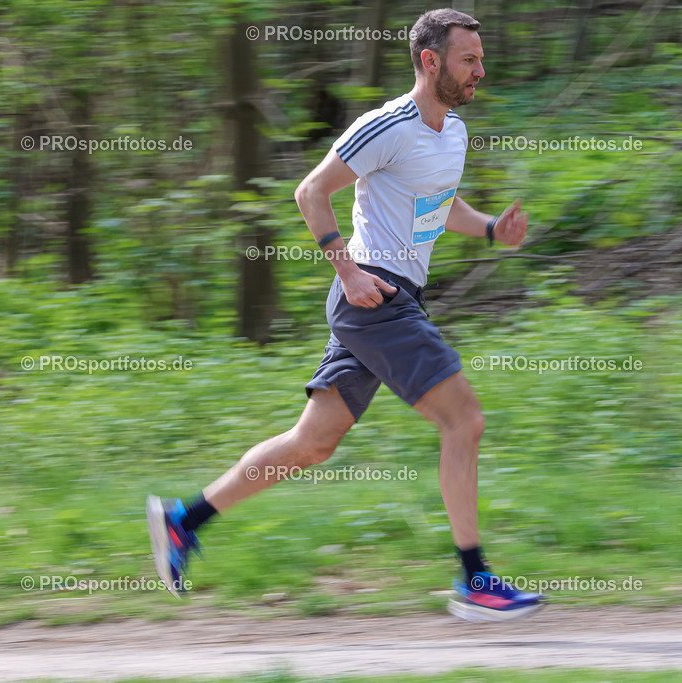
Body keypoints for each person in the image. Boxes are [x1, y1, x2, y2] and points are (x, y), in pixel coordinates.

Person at [146, 8, 545, 623]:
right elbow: (311, 190)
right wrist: (348, 270)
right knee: (464, 420)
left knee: (312, 443)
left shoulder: (453, 133)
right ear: (430, 60)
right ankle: (476, 583)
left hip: (392, 300)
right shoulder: (386, 125)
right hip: (373, 294)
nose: (480, 71)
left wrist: (491, 229)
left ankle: (183, 519)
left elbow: (435, 207)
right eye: (469, 59)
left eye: (481, 59)